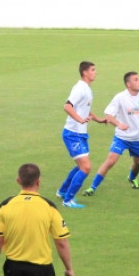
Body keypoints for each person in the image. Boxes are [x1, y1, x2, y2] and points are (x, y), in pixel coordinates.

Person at [55, 61, 108, 209]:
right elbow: (67, 106)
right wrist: (79, 119)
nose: (95, 72)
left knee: (81, 166)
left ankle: (62, 191)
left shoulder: (87, 89)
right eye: (93, 70)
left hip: (80, 134)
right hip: (73, 134)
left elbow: (85, 110)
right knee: (85, 167)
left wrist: (99, 120)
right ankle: (68, 200)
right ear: (85, 72)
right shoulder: (80, 88)